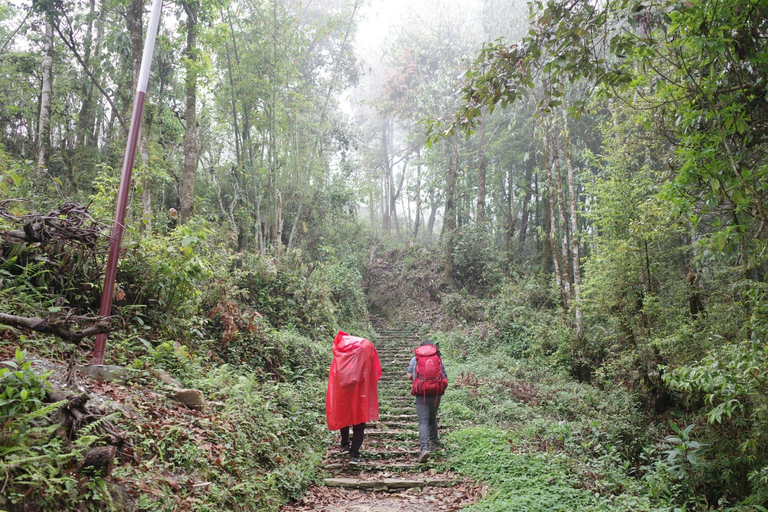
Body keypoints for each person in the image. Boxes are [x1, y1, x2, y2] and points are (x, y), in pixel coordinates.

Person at [326, 331, 382, 465]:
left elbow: (335, 374)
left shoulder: (341, 353)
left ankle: (345, 445)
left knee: (343, 416)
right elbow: (373, 370)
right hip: (360, 390)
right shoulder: (364, 349)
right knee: (359, 422)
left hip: (343, 390)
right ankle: (354, 454)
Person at [407, 340, 448, 463]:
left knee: (423, 421)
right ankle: (435, 443)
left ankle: (424, 448)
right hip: (435, 393)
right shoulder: (438, 359)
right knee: (432, 418)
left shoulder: (416, 358)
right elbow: (445, 377)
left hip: (421, 394)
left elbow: (409, 376)